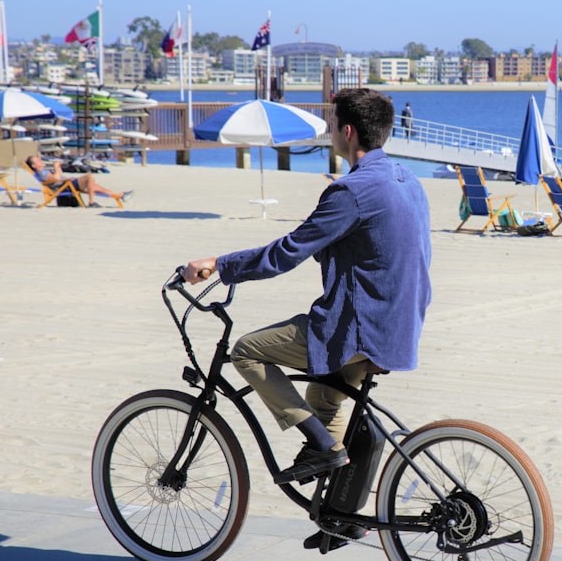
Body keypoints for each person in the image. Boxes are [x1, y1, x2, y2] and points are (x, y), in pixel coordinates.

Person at [183, 88, 432, 493]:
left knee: (247, 350)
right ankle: (337, 510)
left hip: (361, 329)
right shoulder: (408, 180)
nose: (332, 131)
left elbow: (286, 253)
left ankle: (323, 446)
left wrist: (219, 265)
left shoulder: (350, 192)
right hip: (401, 325)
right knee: (324, 396)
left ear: (347, 132)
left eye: (333, 125)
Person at [26, 155, 132, 207]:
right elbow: (56, 179)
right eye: (38, 160)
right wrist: (56, 166)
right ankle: (91, 202)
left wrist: (59, 170)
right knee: (89, 177)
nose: (40, 160)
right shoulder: (42, 173)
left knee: (93, 187)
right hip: (65, 187)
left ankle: (120, 195)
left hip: (67, 184)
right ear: (34, 165)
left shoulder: (44, 171)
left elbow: (57, 177)